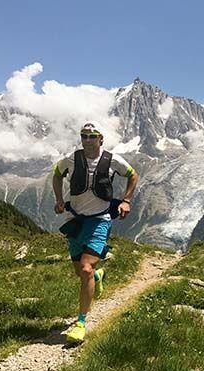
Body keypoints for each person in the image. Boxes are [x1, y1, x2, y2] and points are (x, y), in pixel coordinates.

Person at [52, 122, 138, 343]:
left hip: (100, 220)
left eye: (92, 136)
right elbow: (56, 174)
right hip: (75, 219)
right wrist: (60, 200)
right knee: (79, 272)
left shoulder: (113, 160)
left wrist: (126, 200)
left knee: (86, 268)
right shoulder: (71, 159)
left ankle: (80, 323)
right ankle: (98, 277)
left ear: (101, 138)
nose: (87, 140)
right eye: (84, 136)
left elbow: (132, 175)